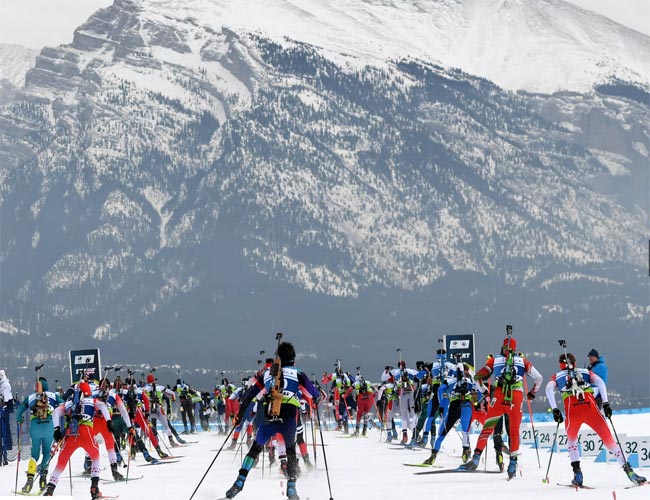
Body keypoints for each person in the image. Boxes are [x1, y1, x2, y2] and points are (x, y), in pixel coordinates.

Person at [224, 341, 320, 499]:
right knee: (290, 450)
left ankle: (239, 483)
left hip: (270, 415)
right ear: (293, 359)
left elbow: (249, 396)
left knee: (255, 449)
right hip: (289, 417)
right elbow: (314, 395)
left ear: (279, 358)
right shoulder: (298, 373)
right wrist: (315, 401)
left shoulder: (268, 373)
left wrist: (239, 416)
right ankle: (291, 489)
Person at [546, 352, 646, 487]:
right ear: (574, 363)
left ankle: (577, 474)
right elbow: (600, 382)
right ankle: (629, 471)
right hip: (591, 409)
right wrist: (605, 403)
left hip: (573, 412)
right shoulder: (585, 371)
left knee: (572, 441)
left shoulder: (556, 376)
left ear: (560, 364)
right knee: (609, 440)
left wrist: (555, 409)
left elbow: (548, 389)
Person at [459, 330, 543, 478]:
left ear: (503, 348)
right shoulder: (522, 361)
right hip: (516, 397)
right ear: (515, 348)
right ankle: (512, 464)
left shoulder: (495, 360)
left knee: (487, 428)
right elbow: (539, 378)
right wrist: (532, 393)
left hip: (498, 396)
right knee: (514, 431)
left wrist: (484, 391)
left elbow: (478, 376)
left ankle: (476, 458)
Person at [43, 381, 111, 498]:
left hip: (71, 434)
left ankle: (50, 489)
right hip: (86, 432)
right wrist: (109, 421)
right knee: (95, 457)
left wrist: (56, 429)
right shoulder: (92, 401)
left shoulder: (69, 403)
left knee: (61, 462)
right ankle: (94, 488)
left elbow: (55, 413)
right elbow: (103, 406)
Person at [15, 377, 65, 493]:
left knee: (34, 455)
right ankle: (43, 480)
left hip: (35, 427)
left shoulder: (31, 397)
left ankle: (29, 481)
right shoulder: (52, 395)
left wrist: (20, 419)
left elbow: (19, 412)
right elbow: (64, 405)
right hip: (49, 427)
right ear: (46, 385)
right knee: (47, 452)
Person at [0, 369, 15, 464]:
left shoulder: (5, 385)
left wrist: (3, 404)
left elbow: (5, 399)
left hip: (4, 410)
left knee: (4, 431)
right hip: (3, 409)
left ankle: (6, 450)